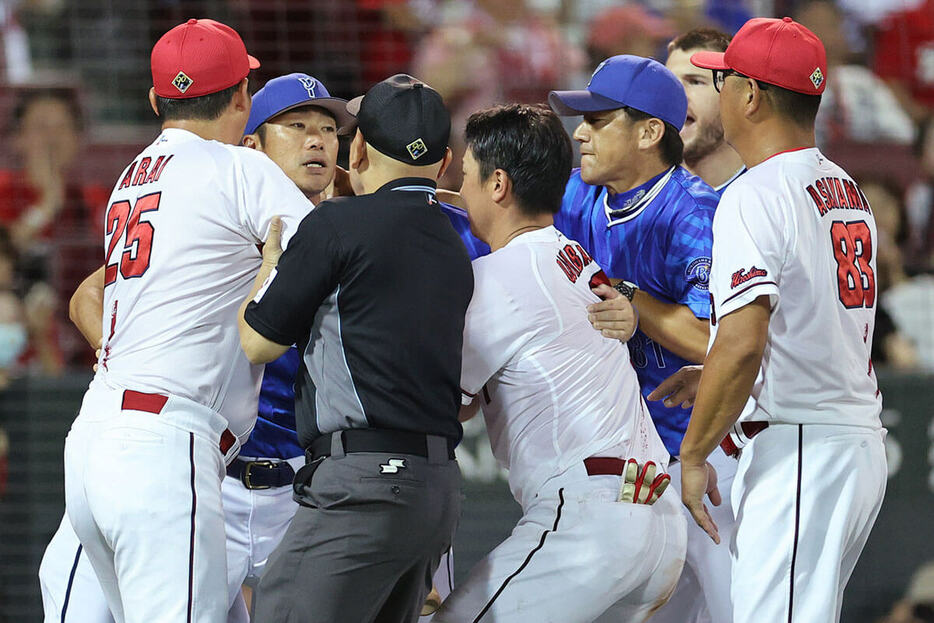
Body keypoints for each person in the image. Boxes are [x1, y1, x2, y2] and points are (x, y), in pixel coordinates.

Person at [61, 18, 314, 623]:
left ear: (155, 101)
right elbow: (333, 253)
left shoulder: (129, 179)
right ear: (241, 98)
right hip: (166, 446)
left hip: (94, 442)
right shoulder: (241, 169)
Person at [431, 103, 686, 623]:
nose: (465, 189)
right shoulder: (570, 253)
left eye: (468, 177)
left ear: (498, 184)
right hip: (656, 516)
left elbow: (447, 405)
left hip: (590, 518)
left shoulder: (499, 277)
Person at [242, 74, 473, 623]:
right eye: (299, 127)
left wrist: (274, 264)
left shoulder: (336, 223)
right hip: (435, 486)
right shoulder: (458, 238)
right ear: (443, 162)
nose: (318, 140)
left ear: (358, 149)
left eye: (331, 130)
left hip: (362, 483)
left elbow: (255, 341)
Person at [681, 17, 887, 623]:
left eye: (724, 80)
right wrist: (719, 370)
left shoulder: (756, 192)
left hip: (803, 448)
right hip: (844, 440)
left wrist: (694, 455)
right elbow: (808, 327)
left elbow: (745, 343)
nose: (717, 91)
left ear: (751, 95)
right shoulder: (845, 186)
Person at [666, 28, 745, 194]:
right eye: (669, 82)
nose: (675, 95)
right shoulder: (648, 194)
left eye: (695, 82)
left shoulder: (768, 194)